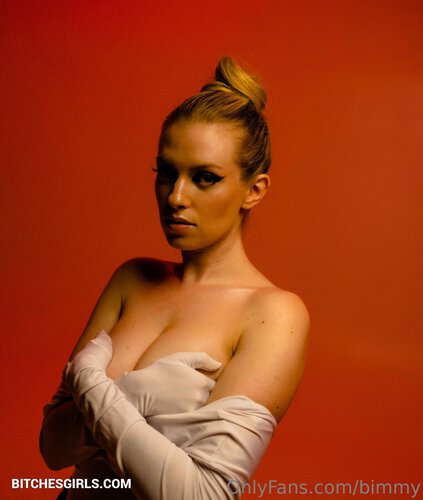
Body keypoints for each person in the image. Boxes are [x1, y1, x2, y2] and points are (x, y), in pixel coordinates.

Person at [40, 56, 310, 499]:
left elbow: (202, 493)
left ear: (254, 190)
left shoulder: (274, 315)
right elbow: (52, 448)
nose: (176, 197)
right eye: (166, 173)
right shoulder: (132, 279)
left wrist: (93, 385)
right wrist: (135, 395)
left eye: (205, 178)